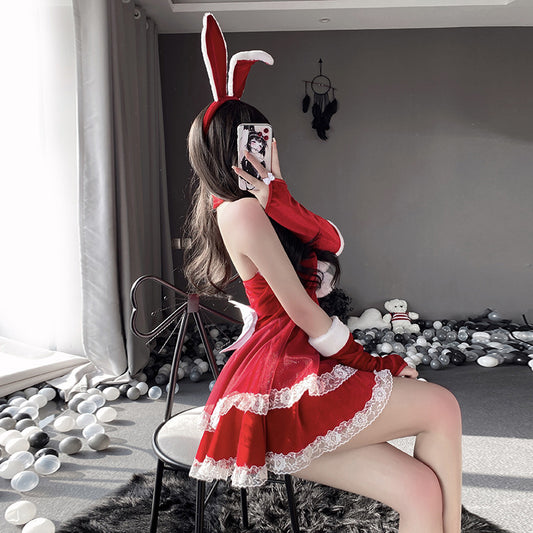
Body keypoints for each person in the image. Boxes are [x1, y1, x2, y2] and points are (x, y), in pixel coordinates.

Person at [183, 99, 463, 533]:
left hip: (292, 365)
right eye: (254, 138)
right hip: (281, 379)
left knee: (419, 489)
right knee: (442, 406)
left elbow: (331, 241)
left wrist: (280, 196)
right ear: (228, 149)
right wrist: (373, 363)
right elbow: (302, 311)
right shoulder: (242, 211)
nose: (265, 146)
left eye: (265, 137)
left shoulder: (252, 205)